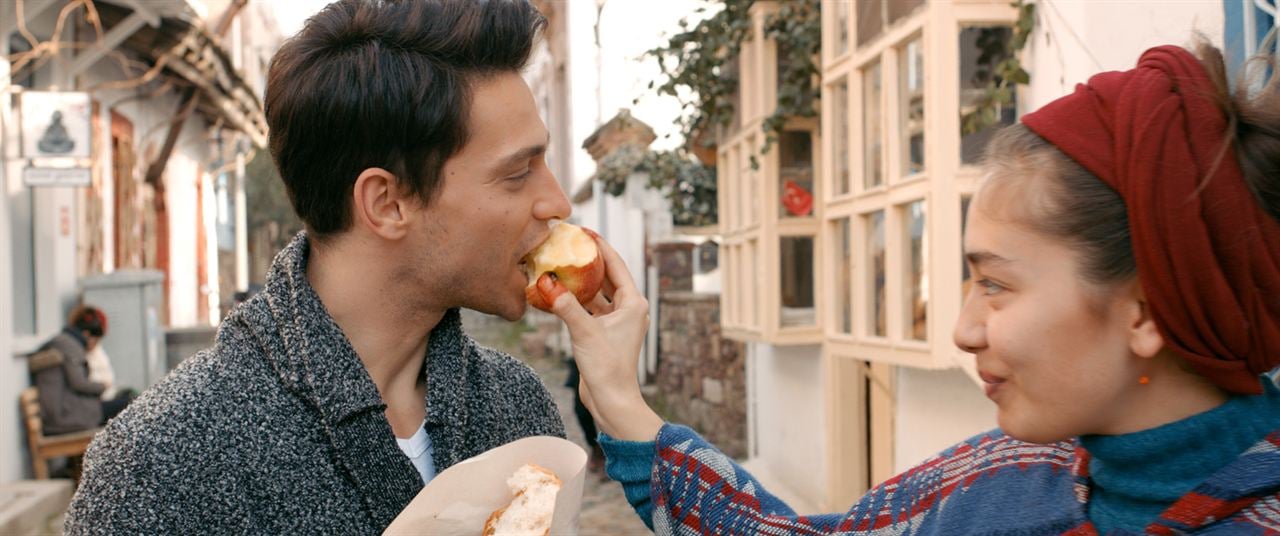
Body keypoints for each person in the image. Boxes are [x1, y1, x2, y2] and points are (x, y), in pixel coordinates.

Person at [548, 43, 1280, 534]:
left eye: (995, 284)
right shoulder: (1005, 482)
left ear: (1147, 311)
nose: (962, 329)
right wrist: (617, 394)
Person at [66, 0, 569, 532]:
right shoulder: (160, 469)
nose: (558, 202)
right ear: (387, 203)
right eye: (518, 173)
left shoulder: (516, 409)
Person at [28, 305, 133, 435]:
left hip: (64, 412)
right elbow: (78, 383)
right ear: (87, 334)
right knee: (130, 403)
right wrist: (102, 387)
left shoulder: (63, 341)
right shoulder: (70, 346)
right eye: (96, 341)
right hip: (65, 416)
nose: (95, 346)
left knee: (127, 403)